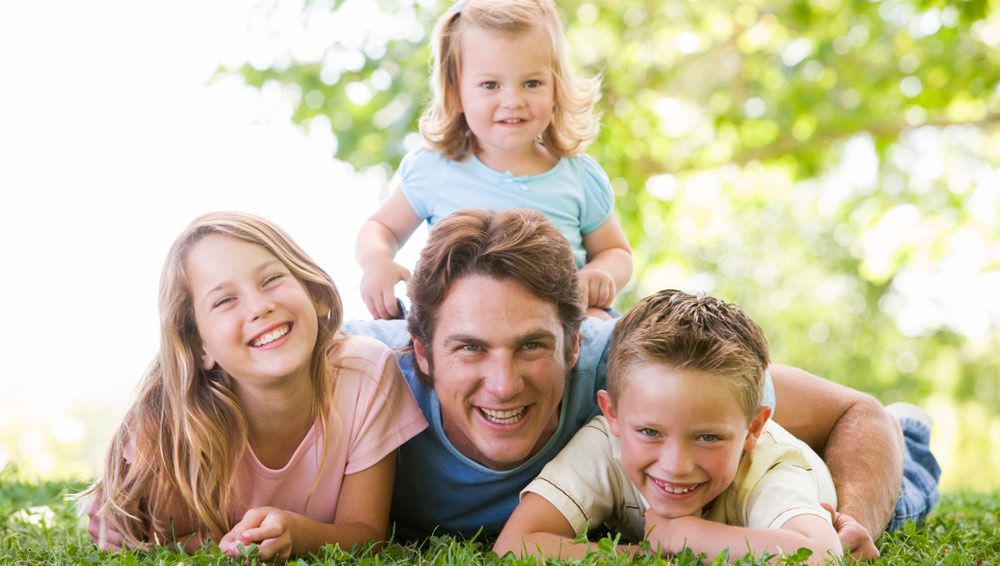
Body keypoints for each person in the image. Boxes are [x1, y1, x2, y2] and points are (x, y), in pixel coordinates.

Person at [343, 208, 939, 557]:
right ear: (422, 351)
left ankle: (912, 434)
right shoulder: (360, 379)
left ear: (575, 343)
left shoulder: (636, 370)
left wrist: (851, 520)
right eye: (470, 348)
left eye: (532, 345)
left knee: (891, 487)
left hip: (781, 483)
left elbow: (855, 412)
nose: (503, 385)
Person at [80, 212, 427, 561]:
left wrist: (297, 533)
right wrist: (220, 542)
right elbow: (160, 540)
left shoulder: (366, 372)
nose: (260, 307)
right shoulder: (173, 429)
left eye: (271, 279)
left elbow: (366, 535)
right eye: (224, 300)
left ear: (316, 296)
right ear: (200, 348)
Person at [494, 290, 842, 562]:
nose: (675, 466)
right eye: (650, 432)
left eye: (708, 437)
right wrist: (644, 555)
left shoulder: (769, 467)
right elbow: (515, 545)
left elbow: (822, 555)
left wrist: (681, 535)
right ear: (613, 414)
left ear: (753, 430)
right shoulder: (603, 444)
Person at [355, 0, 632, 321]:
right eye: (490, 85)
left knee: (604, 326)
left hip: (555, 329)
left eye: (532, 83)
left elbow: (616, 251)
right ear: (456, 93)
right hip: (462, 327)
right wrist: (378, 262)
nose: (512, 100)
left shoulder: (578, 176)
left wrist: (600, 274)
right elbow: (380, 228)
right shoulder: (436, 168)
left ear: (556, 88)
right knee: (374, 339)